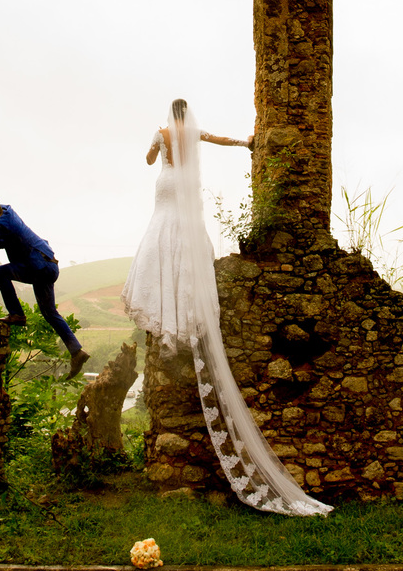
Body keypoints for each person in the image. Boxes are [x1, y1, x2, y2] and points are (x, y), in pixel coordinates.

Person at [121, 99, 332, 517]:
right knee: (185, 231)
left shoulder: (162, 135)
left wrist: (156, 147)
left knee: (162, 228)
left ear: (169, 116)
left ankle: (165, 298)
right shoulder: (194, 133)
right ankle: (184, 291)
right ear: (189, 116)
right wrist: (248, 142)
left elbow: (148, 161)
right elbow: (220, 139)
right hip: (185, 190)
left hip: (167, 187)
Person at [0, 200, 89, 380]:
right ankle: (77, 352)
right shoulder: (4, 210)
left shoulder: (2, 225)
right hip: (47, 264)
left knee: (0, 273)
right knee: (49, 313)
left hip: (37, 267)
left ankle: (17, 315)